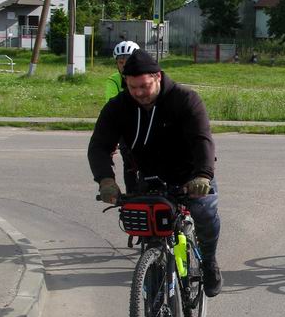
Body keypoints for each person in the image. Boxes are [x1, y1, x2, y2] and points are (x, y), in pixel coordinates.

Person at [88, 49, 223, 297]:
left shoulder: (185, 99)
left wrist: (203, 175)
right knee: (148, 230)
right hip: (149, 177)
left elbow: (202, 139)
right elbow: (99, 145)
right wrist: (105, 180)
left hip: (191, 176)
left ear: (158, 77)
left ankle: (210, 262)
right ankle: (153, 303)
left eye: (144, 86)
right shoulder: (118, 107)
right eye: (132, 87)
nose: (138, 93)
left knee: (204, 212)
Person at [105, 40, 140, 192]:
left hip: (146, 123)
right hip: (125, 126)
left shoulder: (147, 77)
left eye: (129, 61)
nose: (124, 65)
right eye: (120, 62)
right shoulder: (113, 80)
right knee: (129, 161)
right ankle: (132, 193)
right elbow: (111, 108)